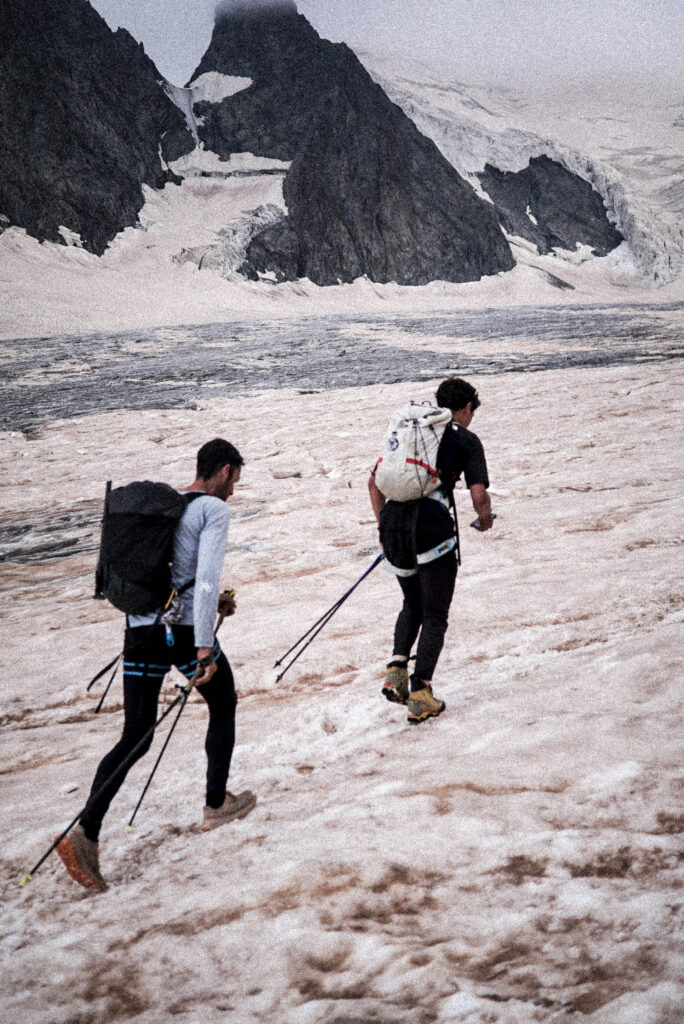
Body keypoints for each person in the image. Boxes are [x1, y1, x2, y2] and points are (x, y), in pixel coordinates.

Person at [56, 439, 256, 892]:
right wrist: (203, 646)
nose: (233, 492)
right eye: (235, 481)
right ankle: (215, 804)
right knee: (223, 702)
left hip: (141, 628)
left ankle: (85, 834)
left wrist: (213, 602)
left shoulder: (166, 507)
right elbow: (203, 581)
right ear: (224, 471)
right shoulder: (212, 511)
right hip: (183, 632)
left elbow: (178, 575)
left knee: (136, 733)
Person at [368, 378, 493, 724]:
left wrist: (383, 528)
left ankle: (396, 673)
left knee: (412, 602)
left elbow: (373, 482)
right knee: (435, 612)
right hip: (430, 528)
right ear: (467, 408)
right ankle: (421, 693)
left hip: (392, 521)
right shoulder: (465, 440)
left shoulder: (414, 429)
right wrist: (485, 520)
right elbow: (479, 495)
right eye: (472, 412)